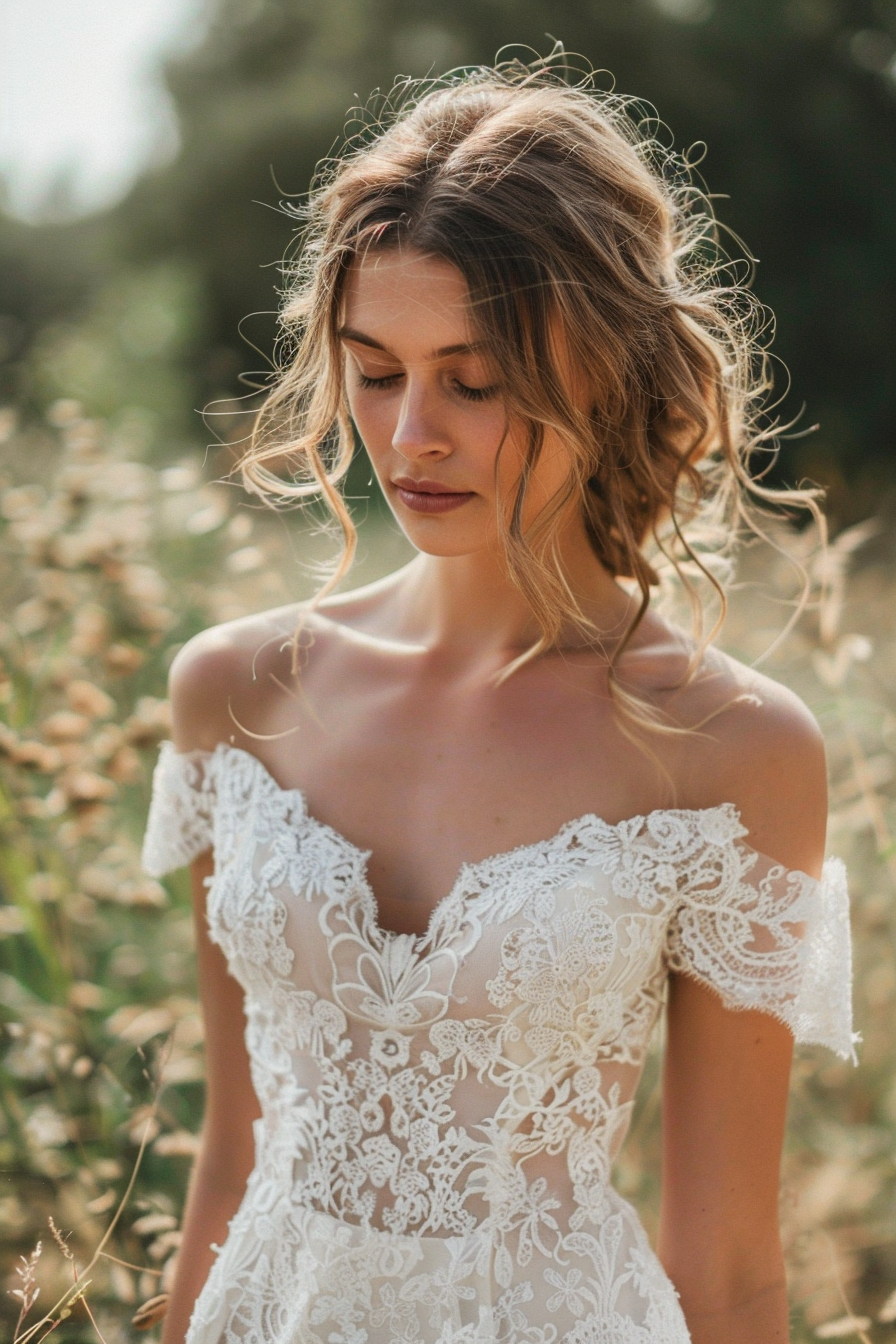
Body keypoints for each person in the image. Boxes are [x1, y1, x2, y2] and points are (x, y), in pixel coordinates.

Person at [141, 55, 856, 1344]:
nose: (412, 435)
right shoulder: (234, 690)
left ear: (612, 368)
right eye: (373, 370)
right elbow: (229, 1156)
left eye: (474, 382)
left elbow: (731, 1266)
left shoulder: (730, 748)